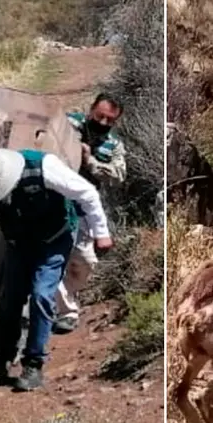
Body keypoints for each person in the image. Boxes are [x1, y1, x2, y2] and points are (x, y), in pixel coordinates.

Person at [0, 147, 113, 392]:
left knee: (42, 295)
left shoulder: (44, 168)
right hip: (18, 243)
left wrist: (101, 233)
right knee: (10, 299)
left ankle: (33, 364)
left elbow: (87, 193)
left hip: (54, 239)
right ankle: (4, 356)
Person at [53, 93, 125, 334]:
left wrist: (90, 160)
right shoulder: (69, 124)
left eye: (110, 120)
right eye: (100, 116)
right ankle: (67, 311)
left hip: (83, 207)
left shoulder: (113, 145)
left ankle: (67, 296)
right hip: (53, 199)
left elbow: (118, 175)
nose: (103, 123)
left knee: (84, 260)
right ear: (91, 109)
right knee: (54, 256)